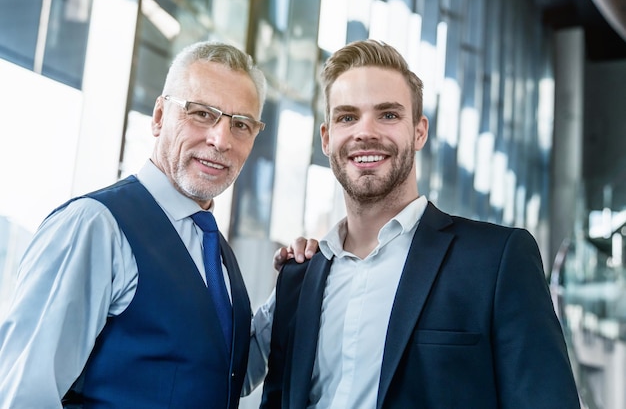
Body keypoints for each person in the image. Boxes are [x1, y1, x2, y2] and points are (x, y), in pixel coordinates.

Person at [260, 39, 581, 409]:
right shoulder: (298, 278)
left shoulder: (496, 261)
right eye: (347, 117)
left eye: (388, 115)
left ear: (419, 132)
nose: (365, 132)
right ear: (327, 138)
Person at [0, 41, 314, 409]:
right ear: (160, 116)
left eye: (240, 124)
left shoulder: (214, 250)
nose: (220, 139)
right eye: (201, 113)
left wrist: (292, 288)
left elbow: (228, 375)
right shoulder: (95, 226)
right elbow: (23, 395)